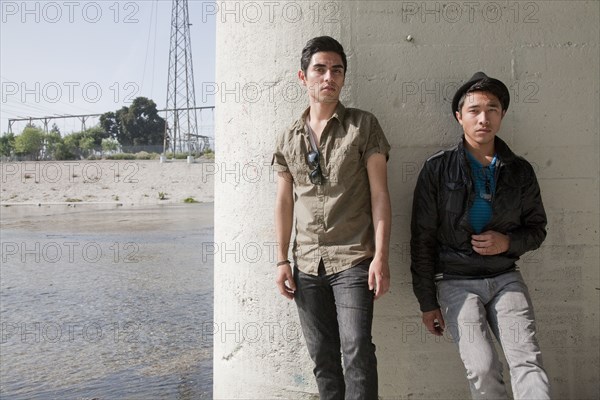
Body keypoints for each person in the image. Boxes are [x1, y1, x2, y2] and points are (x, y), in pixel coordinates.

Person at [410, 72, 551, 399]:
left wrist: (507, 243)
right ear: (459, 117)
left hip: (505, 278)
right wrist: (427, 302)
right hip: (456, 282)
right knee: (483, 367)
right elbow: (422, 239)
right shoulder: (437, 169)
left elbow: (537, 228)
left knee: (527, 361)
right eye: (474, 110)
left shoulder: (520, 170)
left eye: (492, 109)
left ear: (502, 115)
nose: (483, 118)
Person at [272, 36, 392, 400]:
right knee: (323, 358)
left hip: (354, 258)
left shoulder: (363, 125)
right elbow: (283, 202)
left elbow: (380, 194)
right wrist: (281, 260)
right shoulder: (289, 137)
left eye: (336, 70)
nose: (329, 77)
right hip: (306, 263)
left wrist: (381, 258)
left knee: (356, 351)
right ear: (303, 77)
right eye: (320, 69)